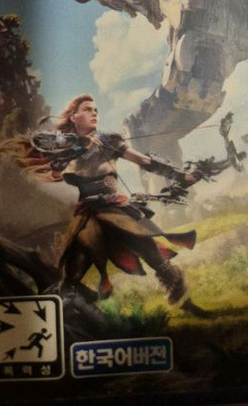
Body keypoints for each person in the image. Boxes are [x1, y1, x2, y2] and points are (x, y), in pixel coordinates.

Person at [17, 93, 199, 304]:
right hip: (88, 211)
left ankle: (177, 286)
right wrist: (78, 146)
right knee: (75, 263)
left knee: (147, 248)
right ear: (74, 117)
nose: (94, 113)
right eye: (87, 109)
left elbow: (143, 161)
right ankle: (74, 307)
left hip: (114, 205)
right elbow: (51, 163)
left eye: (95, 110)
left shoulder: (109, 140)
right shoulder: (64, 144)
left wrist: (178, 176)